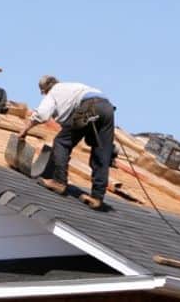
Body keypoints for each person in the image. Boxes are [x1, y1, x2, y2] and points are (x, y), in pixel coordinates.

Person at [19, 76, 115, 210]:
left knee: (62, 142)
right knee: (102, 150)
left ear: (45, 90)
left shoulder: (54, 92)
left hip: (90, 107)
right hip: (107, 108)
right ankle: (97, 197)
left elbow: (42, 114)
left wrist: (26, 128)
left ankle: (59, 181)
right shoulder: (72, 87)